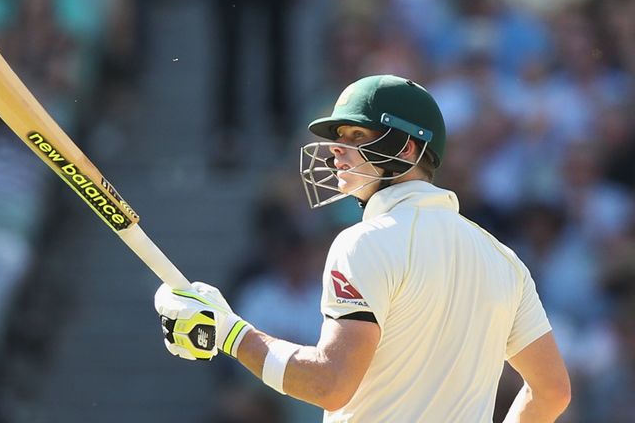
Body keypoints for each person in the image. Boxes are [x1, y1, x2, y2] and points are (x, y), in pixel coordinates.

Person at [155, 74, 571, 422]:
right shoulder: (502, 259)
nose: (337, 149)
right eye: (339, 136)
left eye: (356, 134)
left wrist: (230, 335)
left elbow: (329, 384)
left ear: (407, 148)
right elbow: (552, 392)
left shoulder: (364, 243)